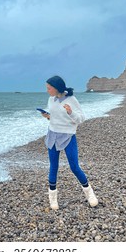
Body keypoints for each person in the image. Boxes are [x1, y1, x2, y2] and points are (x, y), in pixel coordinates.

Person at [41, 75, 98, 210]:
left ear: (56, 88)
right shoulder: (51, 99)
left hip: (68, 136)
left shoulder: (72, 100)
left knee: (74, 166)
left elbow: (81, 118)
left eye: (49, 88)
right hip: (53, 134)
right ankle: (53, 199)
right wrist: (48, 116)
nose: (47, 90)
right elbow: (55, 117)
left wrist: (71, 112)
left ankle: (90, 194)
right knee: (53, 167)